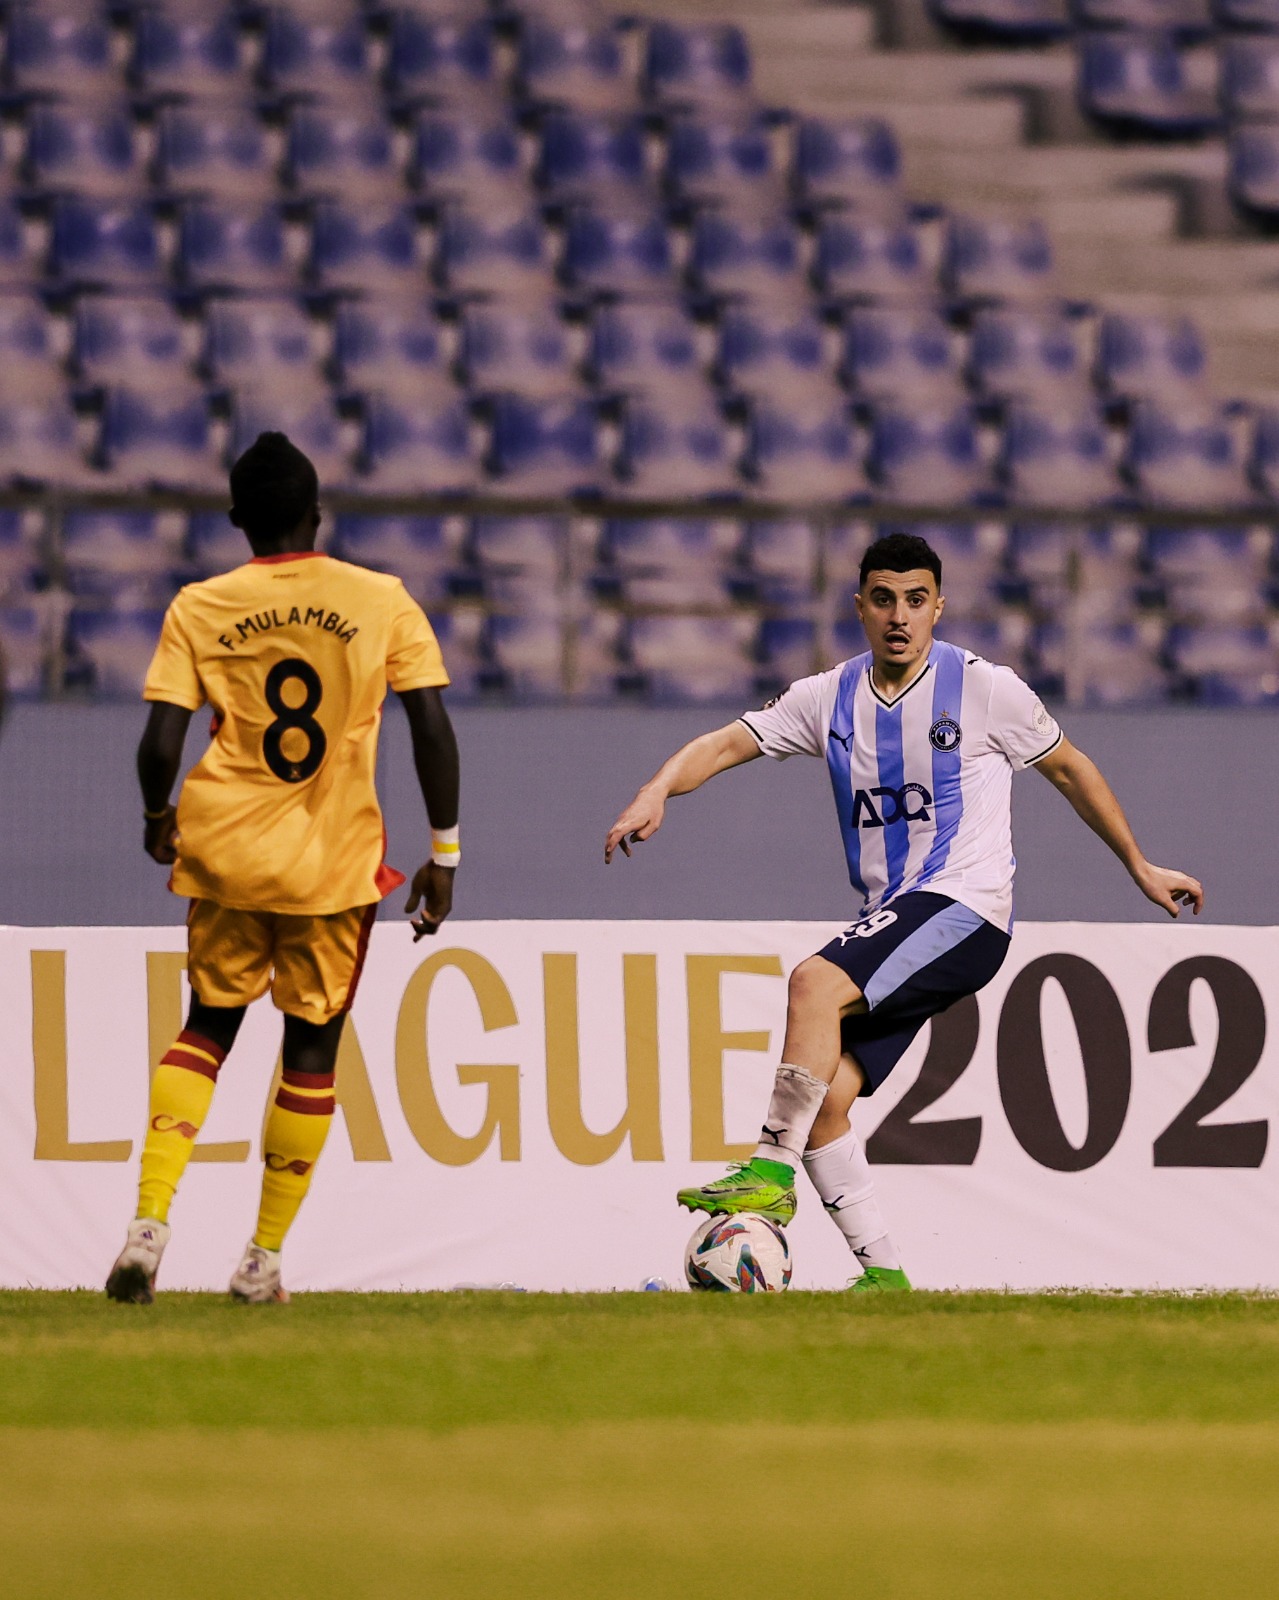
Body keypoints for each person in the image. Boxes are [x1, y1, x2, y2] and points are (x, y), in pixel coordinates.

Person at [605, 531, 1203, 1293]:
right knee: (823, 1102)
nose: (899, 616)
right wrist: (656, 789)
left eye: (915, 600)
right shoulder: (827, 697)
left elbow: (1068, 768)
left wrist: (1138, 864)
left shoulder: (985, 689)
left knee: (813, 983)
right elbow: (725, 744)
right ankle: (884, 1280)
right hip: (901, 914)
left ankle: (767, 1171)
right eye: (884, 599)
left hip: (964, 906)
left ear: (937, 608)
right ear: (859, 607)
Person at [106, 432, 461, 1305]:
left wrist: (157, 818)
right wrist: (443, 853)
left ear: (237, 519)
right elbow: (430, 726)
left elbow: (160, 739)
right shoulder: (380, 599)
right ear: (317, 513)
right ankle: (260, 1260)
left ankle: (148, 1225)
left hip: (225, 853)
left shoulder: (200, 605)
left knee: (205, 1029)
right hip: (331, 869)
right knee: (309, 1047)